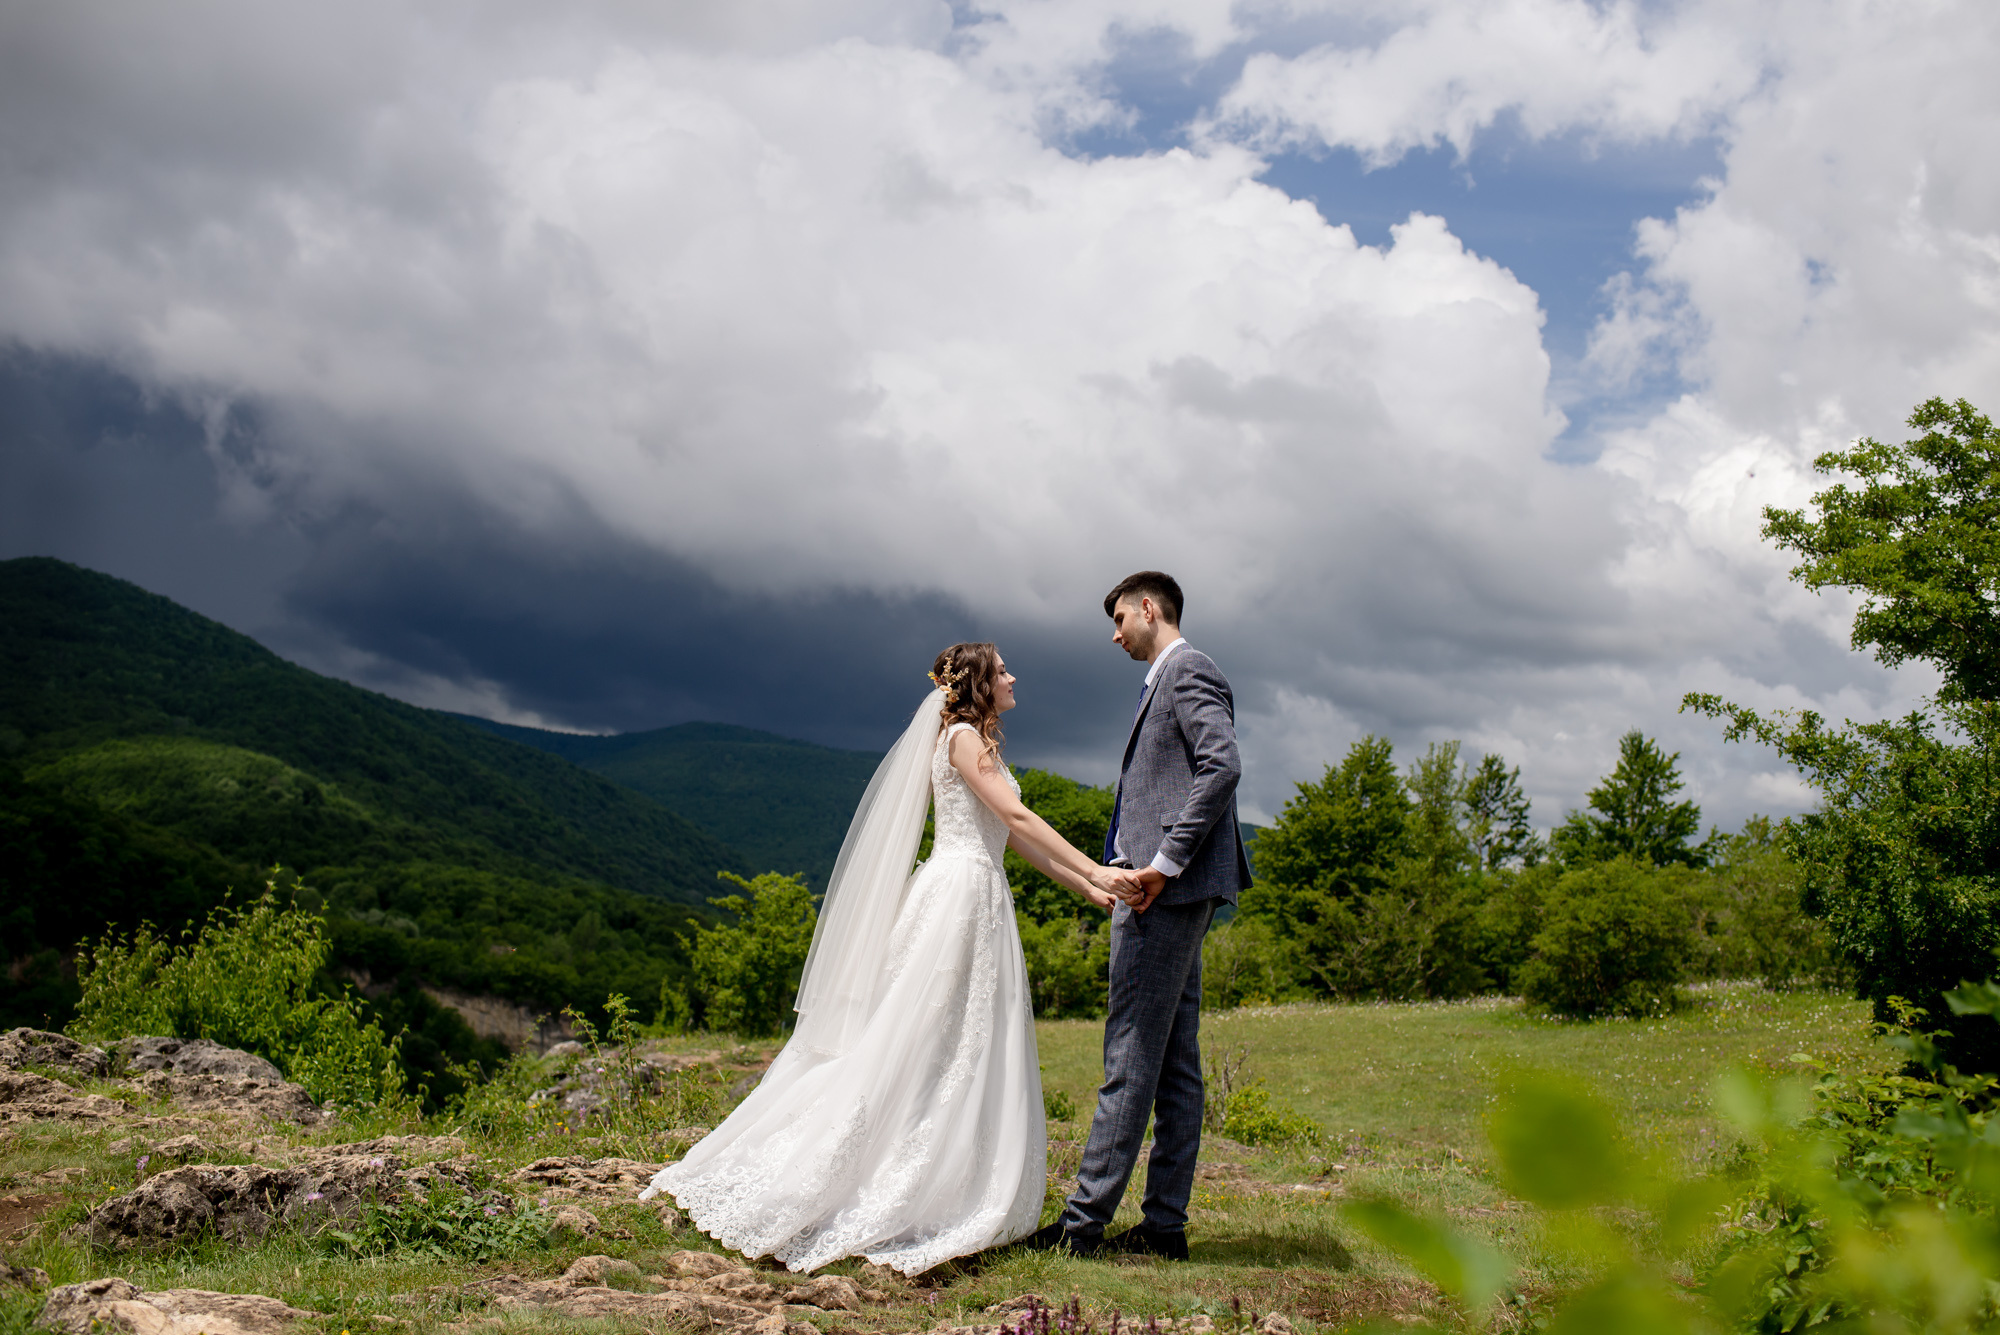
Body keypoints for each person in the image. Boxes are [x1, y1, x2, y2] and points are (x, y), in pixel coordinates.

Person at [641, 641, 1136, 1275]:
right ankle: (875, 1168)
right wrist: (1098, 865)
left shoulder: (976, 743)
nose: (1014, 677)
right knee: (919, 1033)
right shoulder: (959, 737)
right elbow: (1016, 811)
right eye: (1004, 669)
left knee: (959, 1039)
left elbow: (1009, 834)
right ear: (981, 683)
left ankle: (942, 1162)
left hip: (981, 892)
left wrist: (1090, 888)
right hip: (958, 898)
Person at [1023, 570, 1253, 1260]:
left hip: (1163, 894)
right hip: (1174, 894)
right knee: (1176, 1062)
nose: (1114, 631)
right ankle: (1164, 1228)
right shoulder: (1168, 679)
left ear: (1149, 608)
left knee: (1129, 1053)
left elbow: (1223, 765)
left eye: (1120, 617)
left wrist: (1161, 862)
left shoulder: (1187, 672)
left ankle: (1081, 1225)